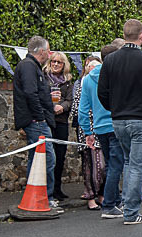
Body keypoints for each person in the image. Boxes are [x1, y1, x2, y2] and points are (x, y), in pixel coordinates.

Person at [97, 19, 142, 225]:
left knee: (127, 162)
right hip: (141, 119)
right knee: (136, 166)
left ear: (124, 35)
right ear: (141, 36)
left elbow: (102, 92)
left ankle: (127, 204)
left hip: (118, 119)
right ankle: (131, 213)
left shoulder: (110, 60)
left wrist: (114, 109)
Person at [12, 35, 60, 210]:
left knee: (36, 159)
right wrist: (40, 117)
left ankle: (35, 196)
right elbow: (30, 93)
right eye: (48, 50)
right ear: (41, 51)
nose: (50, 53)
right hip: (36, 121)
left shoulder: (31, 66)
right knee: (48, 159)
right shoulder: (28, 67)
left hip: (37, 120)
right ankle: (46, 197)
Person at [80, 44, 124, 218]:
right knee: (115, 165)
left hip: (99, 128)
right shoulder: (118, 76)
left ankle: (116, 199)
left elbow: (84, 109)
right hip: (117, 124)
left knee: (112, 164)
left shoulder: (88, 79)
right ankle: (109, 204)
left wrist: (87, 132)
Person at [70, 56, 105, 210]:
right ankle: (90, 196)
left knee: (101, 165)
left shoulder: (105, 82)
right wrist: (86, 129)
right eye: (90, 66)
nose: (93, 69)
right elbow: (77, 108)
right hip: (86, 128)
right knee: (88, 163)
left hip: (101, 127)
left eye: (96, 66)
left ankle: (101, 194)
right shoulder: (81, 83)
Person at [43, 51, 74, 200]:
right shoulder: (43, 78)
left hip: (61, 121)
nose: (55, 64)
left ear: (64, 65)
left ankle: (57, 188)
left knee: (60, 156)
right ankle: (46, 189)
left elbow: (70, 100)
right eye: (53, 61)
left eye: (59, 62)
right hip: (48, 120)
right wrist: (50, 105)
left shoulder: (68, 82)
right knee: (48, 156)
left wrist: (62, 106)